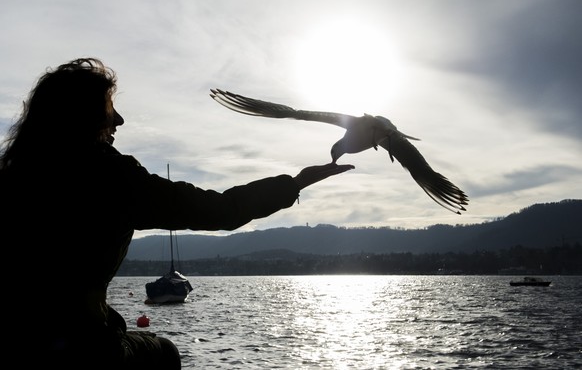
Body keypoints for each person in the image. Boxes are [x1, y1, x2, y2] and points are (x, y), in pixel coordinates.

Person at [0, 58, 353, 369]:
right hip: (79, 347)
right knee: (163, 352)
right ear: (85, 116)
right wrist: (294, 184)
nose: (119, 119)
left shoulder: (16, 174)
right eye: (110, 108)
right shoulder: (111, 176)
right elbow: (219, 210)